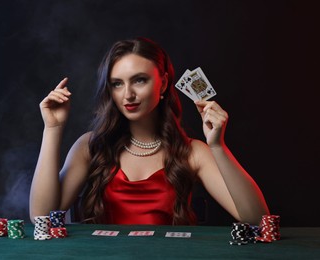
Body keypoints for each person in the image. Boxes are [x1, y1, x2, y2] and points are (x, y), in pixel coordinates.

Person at [29, 37, 269, 226]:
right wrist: (53, 128)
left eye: (140, 80)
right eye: (117, 84)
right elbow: (42, 219)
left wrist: (218, 146)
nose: (128, 95)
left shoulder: (192, 151)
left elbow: (258, 220)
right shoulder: (90, 146)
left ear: (163, 83)